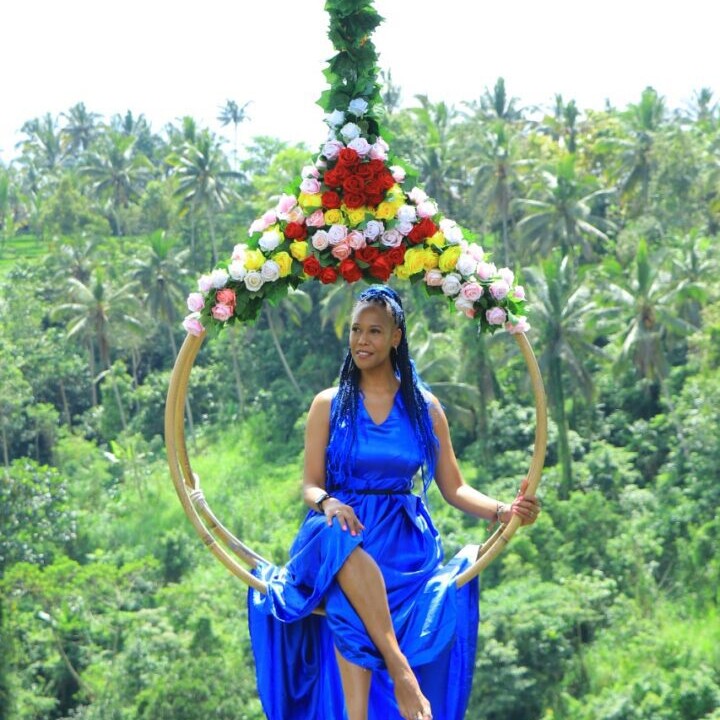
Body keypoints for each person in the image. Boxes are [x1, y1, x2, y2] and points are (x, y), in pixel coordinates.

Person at [248, 285, 541, 720]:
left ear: (396, 337)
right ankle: (399, 673)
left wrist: (503, 511)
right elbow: (309, 485)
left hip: (403, 540)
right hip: (337, 526)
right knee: (340, 545)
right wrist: (328, 503)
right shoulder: (327, 404)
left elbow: (454, 487)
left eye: (374, 331)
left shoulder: (425, 408)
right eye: (355, 330)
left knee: (353, 582)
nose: (362, 340)